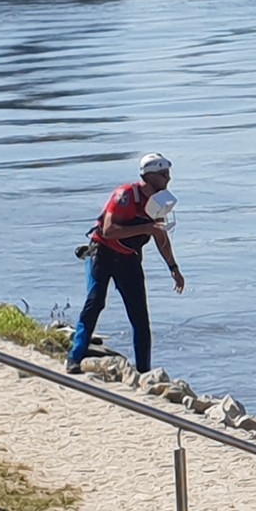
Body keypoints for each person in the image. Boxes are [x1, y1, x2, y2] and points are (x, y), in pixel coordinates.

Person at [66, 152, 185, 375]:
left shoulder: (159, 203)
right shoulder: (126, 196)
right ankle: (74, 357)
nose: (168, 179)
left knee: (140, 316)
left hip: (129, 259)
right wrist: (145, 228)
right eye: (164, 174)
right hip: (103, 254)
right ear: (150, 177)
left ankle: (143, 371)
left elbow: (161, 237)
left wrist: (173, 268)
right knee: (95, 303)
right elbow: (109, 230)